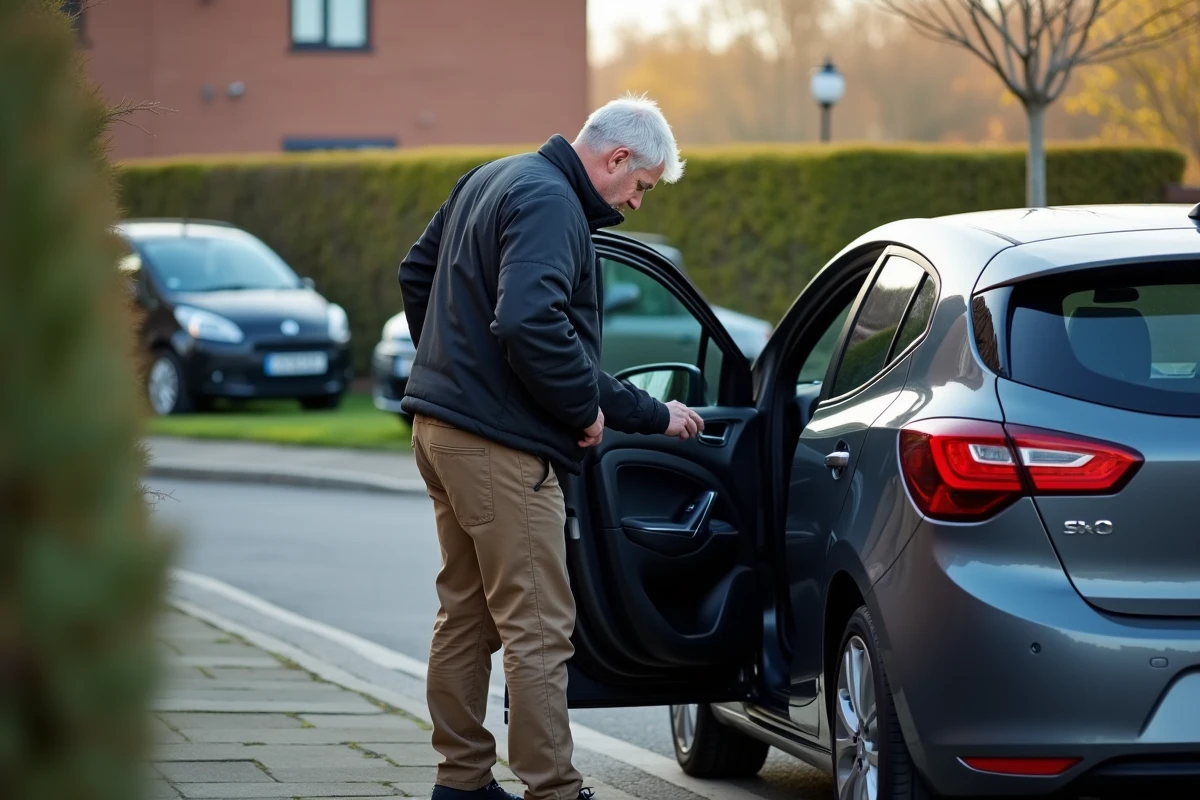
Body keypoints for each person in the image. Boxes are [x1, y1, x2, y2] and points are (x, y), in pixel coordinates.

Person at [397, 93, 705, 800]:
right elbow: (532, 321)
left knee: (467, 617)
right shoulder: (550, 202)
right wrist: (582, 410)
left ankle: (463, 783)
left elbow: (417, 274)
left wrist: (456, 371)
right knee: (537, 627)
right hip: (498, 447)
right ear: (616, 157)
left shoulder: (491, 177)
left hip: (442, 432)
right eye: (641, 186)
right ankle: (553, 790)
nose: (636, 203)